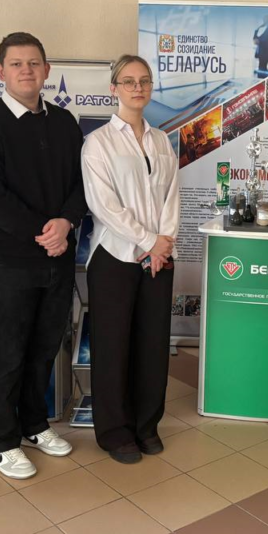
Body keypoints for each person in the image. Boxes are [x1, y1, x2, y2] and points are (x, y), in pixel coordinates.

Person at [0, 32, 86, 479]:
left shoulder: (64, 123)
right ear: (1, 72)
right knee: (8, 353)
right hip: (8, 261)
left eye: (34, 63)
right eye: (16, 64)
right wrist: (43, 232)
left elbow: (81, 183)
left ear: (47, 70)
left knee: (44, 348)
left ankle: (34, 425)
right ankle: (1, 442)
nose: (26, 71)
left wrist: (66, 222)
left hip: (57, 257)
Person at [82, 55, 180, 464]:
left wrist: (164, 242)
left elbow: (172, 194)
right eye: (128, 81)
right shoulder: (98, 142)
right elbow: (103, 205)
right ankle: (115, 431)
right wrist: (148, 241)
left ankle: (146, 426)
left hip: (158, 259)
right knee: (113, 348)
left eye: (144, 81)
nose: (137, 88)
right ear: (114, 89)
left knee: (152, 345)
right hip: (114, 257)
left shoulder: (161, 140)